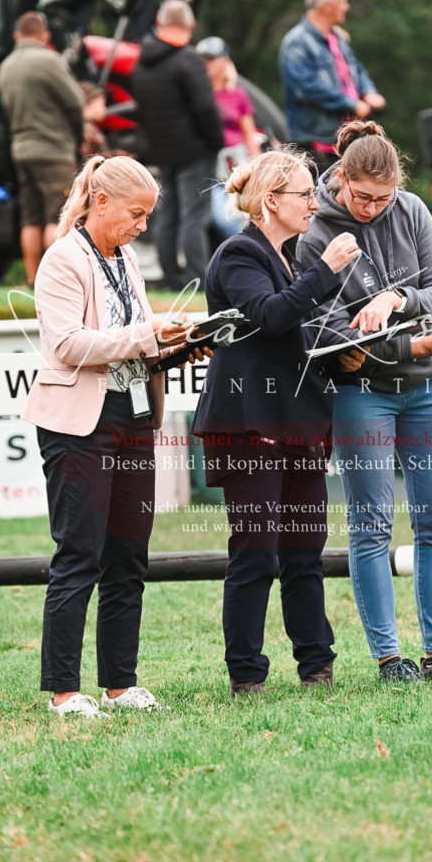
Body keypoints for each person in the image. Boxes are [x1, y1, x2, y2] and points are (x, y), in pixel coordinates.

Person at [24, 155, 208, 718]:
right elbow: (67, 346)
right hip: (79, 425)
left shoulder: (125, 259)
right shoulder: (62, 258)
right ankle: (63, 692)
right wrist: (146, 333)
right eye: (137, 214)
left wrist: (173, 345)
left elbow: (133, 342)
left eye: (148, 215)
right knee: (79, 554)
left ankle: (120, 686)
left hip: (133, 418)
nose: (143, 226)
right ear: (100, 202)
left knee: (129, 556)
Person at [297, 120, 432, 683]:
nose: (373, 208)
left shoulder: (413, 210)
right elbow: (326, 334)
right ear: (342, 180)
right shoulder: (314, 232)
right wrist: (406, 341)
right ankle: (389, 657)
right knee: (372, 523)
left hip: (430, 386)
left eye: (384, 198)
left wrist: (395, 298)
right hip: (362, 394)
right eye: (362, 198)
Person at [190, 149, 361, 696]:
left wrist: (342, 351)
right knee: (256, 551)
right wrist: (326, 270)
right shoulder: (238, 253)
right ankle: (246, 673)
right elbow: (268, 317)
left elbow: (293, 334)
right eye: (305, 194)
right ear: (270, 200)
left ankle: (317, 663)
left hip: (296, 423)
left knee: (304, 552)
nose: (315, 204)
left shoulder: (288, 258)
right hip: (249, 426)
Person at [132, 0, 224, 291]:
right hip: (194, 150)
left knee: (167, 215)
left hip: (161, 150)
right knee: (194, 217)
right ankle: (199, 280)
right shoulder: (189, 60)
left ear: (159, 23)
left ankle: (171, 277)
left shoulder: (141, 63)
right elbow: (205, 108)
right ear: (191, 24)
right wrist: (216, 141)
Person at [0, 11, 84, 285]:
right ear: (44, 35)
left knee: (30, 219)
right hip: (52, 151)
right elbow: (76, 101)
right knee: (58, 215)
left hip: (21, 150)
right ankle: (56, 282)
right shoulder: (49, 60)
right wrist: (78, 137)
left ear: (17, 36)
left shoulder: (6, 66)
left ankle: (34, 280)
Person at [279, 0, 386, 172]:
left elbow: (356, 69)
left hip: (343, 140)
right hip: (315, 143)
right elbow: (307, 89)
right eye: (343, 1)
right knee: (321, 190)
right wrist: (352, 104)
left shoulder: (337, 37)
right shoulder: (297, 42)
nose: (347, 6)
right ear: (327, 6)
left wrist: (369, 91)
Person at [196, 35, 262, 241]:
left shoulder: (237, 94)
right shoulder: (197, 93)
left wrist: (258, 166)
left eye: (212, 59)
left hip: (236, 164)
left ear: (224, 61)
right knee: (222, 218)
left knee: (246, 213)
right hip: (209, 169)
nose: (207, 64)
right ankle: (247, 247)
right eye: (203, 59)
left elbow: (248, 133)